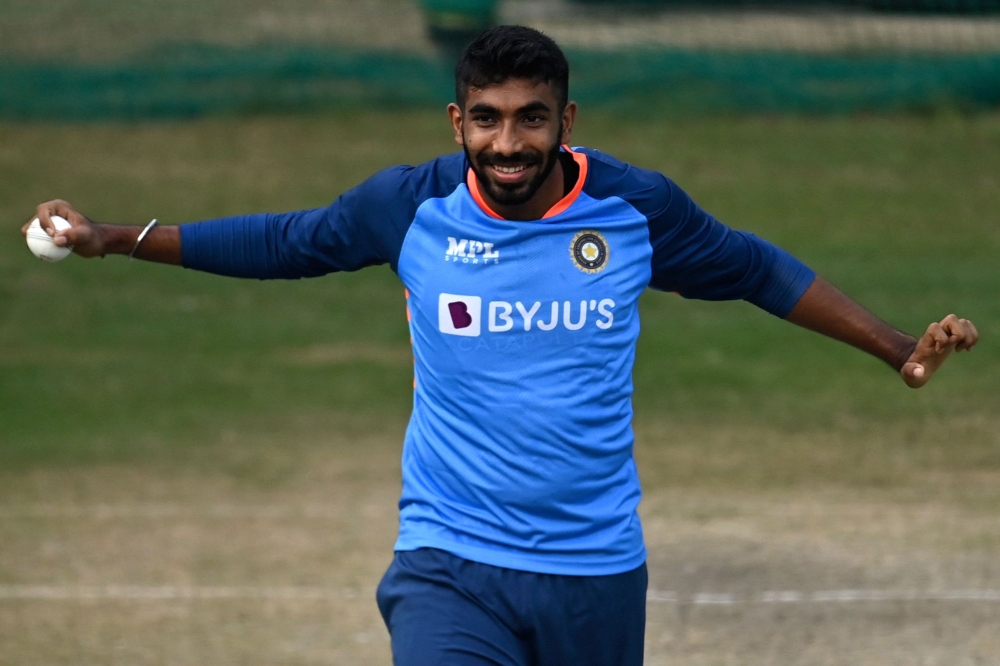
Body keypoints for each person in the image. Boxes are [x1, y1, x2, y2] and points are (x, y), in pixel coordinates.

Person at [24, 25, 977, 666]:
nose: (508, 142)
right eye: (487, 119)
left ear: (568, 120)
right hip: (451, 560)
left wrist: (895, 347)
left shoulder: (635, 210)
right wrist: (117, 237)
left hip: (595, 569)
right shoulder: (410, 207)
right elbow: (286, 242)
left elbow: (758, 271)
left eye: (531, 118)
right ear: (458, 122)